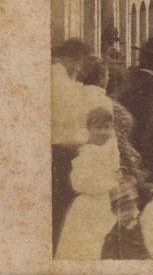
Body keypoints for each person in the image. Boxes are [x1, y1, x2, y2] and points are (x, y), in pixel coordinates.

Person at [56, 107, 120, 260]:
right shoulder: (86, 152)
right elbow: (80, 183)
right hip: (89, 206)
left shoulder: (108, 150)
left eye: (107, 127)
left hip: (106, 202)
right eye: (99, 128)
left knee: (104, 245)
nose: (104, 132)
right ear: (89, 129)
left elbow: (114, 171)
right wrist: (112, 181)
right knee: (87, 247)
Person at [51, 38, 90, 252]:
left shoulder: (63, 78)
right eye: (78, 61)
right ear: (71, 59)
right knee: (61, 205)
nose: (79, 66)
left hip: (62, 148)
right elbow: (70, 120)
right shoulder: (60, 81)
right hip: (60, 150)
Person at [119, 35, 153, 200]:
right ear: (152, 61)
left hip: (128, 144)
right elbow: (148, 120)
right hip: (148, 147)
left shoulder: (130, 77)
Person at [101, 180, 150, 260]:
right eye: (122, 209)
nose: (127, 213)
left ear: (136, 204)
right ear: (114, 212)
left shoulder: (148, 226)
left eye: (130, 207)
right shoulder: (113, 242)